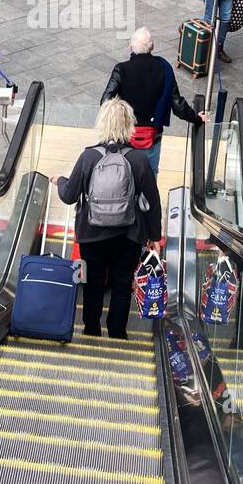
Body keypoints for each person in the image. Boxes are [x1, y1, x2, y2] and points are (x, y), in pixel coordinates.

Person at [53, 98, 162, 340]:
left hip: (92, 234)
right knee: (122, 284)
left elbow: (70, 196)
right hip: (129, 234)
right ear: (129, 125)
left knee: (93, 284)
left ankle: (91, 330)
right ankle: (117, 333)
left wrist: (59, 180)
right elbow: (153, 203)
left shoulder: (89, 157)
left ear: (102, 123)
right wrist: (155, 236)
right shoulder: (139, 160)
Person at [101, 27, 205, 174]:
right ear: (152, 47)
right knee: (150, 173)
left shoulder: (121, 70)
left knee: (124, 174)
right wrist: (196, 118)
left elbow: (105, 100)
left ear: (130, 47)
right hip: (152, 136)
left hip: (125, 137)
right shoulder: (164, 68)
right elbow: (177, 104)